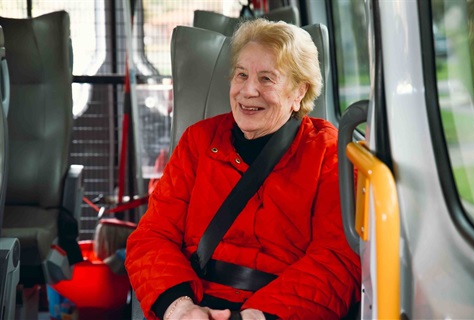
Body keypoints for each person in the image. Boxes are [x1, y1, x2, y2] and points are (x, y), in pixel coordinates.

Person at [125, 18, 361, 320]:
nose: (248, 91)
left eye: (266, 79)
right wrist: (179, 308)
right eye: (241, 75)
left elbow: (337, 260)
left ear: (298, 92)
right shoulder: (198, 141)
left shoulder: (329, 153)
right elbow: (152, 236)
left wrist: (257, 316)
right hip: (192, 301)